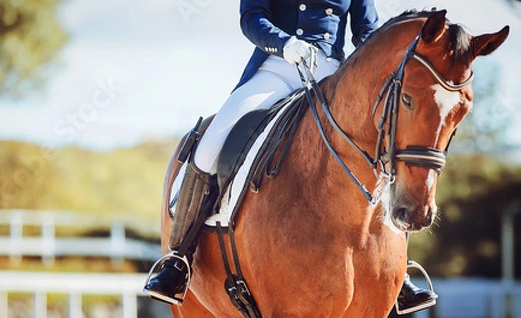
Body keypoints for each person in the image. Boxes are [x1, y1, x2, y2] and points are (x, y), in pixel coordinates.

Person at [144, 0, 437, 313]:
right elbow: (251, 17)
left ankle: (397, 272)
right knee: (209, 147)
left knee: (386, 148)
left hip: (335, 73)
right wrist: (284, 44)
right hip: (277, 66)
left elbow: (367, 32)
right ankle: (179, 259)